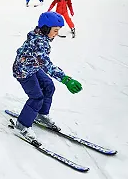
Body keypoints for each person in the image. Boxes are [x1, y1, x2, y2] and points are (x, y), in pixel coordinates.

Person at [12, 11, 83, 140]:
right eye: (55, 30)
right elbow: (47, 65)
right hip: (23, 71)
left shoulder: (42, 37)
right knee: (37, 97)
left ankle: (41, 114)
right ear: (45, 28)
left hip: (33, 67)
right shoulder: (38, 43)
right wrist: (66, 79)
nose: (57, 34)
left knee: (49, 86)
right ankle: (22, 124)